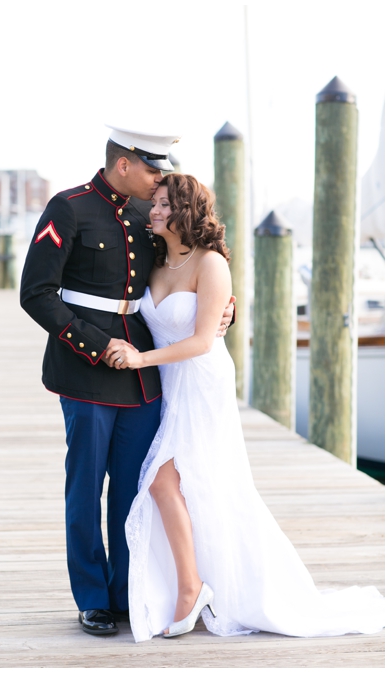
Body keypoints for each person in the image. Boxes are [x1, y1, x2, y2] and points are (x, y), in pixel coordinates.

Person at [106, 173, 385, 641]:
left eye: (161, 204)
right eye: (152, 204)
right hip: (172, 386)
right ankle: (193, 582)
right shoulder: (154, 263)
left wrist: (140, 358)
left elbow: (199, 340)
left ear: (185, 210)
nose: (152, 212)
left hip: (203, 381)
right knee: (186, 486)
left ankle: (192, 587)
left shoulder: (211, 264)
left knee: (165, 480)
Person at [20, 125, 235, 636]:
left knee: (134, 491)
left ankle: (125, 592)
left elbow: (191, 272)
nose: (158, 179)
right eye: (151, 168)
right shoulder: (68, 208)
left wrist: (227, 313)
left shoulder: (152, 214)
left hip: (145, 374)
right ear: (124, 165)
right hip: (86, 372)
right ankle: (93, 597)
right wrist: (95, 346)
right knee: (85, 488)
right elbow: (37, 292)